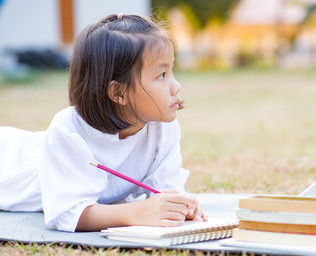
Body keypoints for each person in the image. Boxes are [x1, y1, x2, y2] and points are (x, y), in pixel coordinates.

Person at [0, 14, 207, 232]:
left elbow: (166, 190)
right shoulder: (69, 130)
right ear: (118, 92)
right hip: (9, 162)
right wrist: (138, 212)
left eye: (171, 71)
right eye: (161, 75)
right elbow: (66, 213)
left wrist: (179, 206)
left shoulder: (162, 128)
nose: (177, 87)